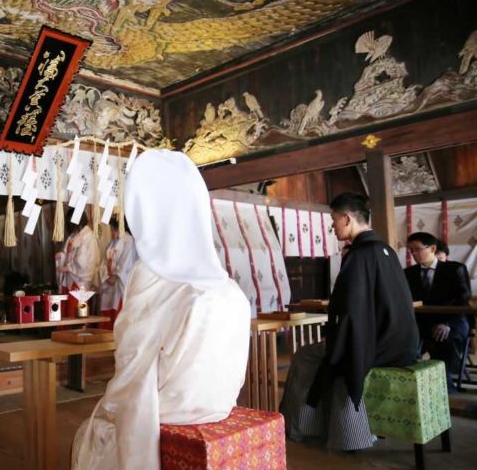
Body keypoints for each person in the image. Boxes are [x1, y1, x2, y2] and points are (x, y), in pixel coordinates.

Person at [71, 150, 250, 470]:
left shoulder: (152, 275)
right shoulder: (230, 288)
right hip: (220, 402)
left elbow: (131, 364)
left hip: (171, 408)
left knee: (100, 423)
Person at [280, 192, 418, 451]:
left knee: (305, 356)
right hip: (401, 340)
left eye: (334, 220)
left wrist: (339, 346)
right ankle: (317, 425)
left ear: (346, 218)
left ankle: (305, 428)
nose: (332, 227)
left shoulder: (359, 255)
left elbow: (353, 313)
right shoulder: (384, 249)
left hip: (376, 344)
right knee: (322, 354)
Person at [405, 232, 471, 390]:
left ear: (433, 248)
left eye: (417, 249)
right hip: (422, 321)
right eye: (410, 250)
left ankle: (445, 385)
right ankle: (413, 384)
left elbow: (462, 300)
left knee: (445, 337)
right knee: (403, 339)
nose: (413, 254)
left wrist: (446, 323)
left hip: (453, 319)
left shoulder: (454, 269)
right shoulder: (408, 273)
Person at [98, 216, 137, 329]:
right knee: (107, 317)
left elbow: (127, 263)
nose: (113, 232)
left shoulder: (128, 240)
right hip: (110, 284)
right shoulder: (112, 243)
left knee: (118, 315)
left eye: (114, 229)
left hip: (120, 285)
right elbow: (104, 263)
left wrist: (115, 276)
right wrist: (106, 276)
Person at [57, 209, 101, 311]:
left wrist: (68, 268)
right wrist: (62, 256)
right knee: (68, 310)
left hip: (79, 281)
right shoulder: (75, 235)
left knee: (76, 310)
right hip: (71, 280)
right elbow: (67, 253)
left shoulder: (88, 236)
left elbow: (84, 262)